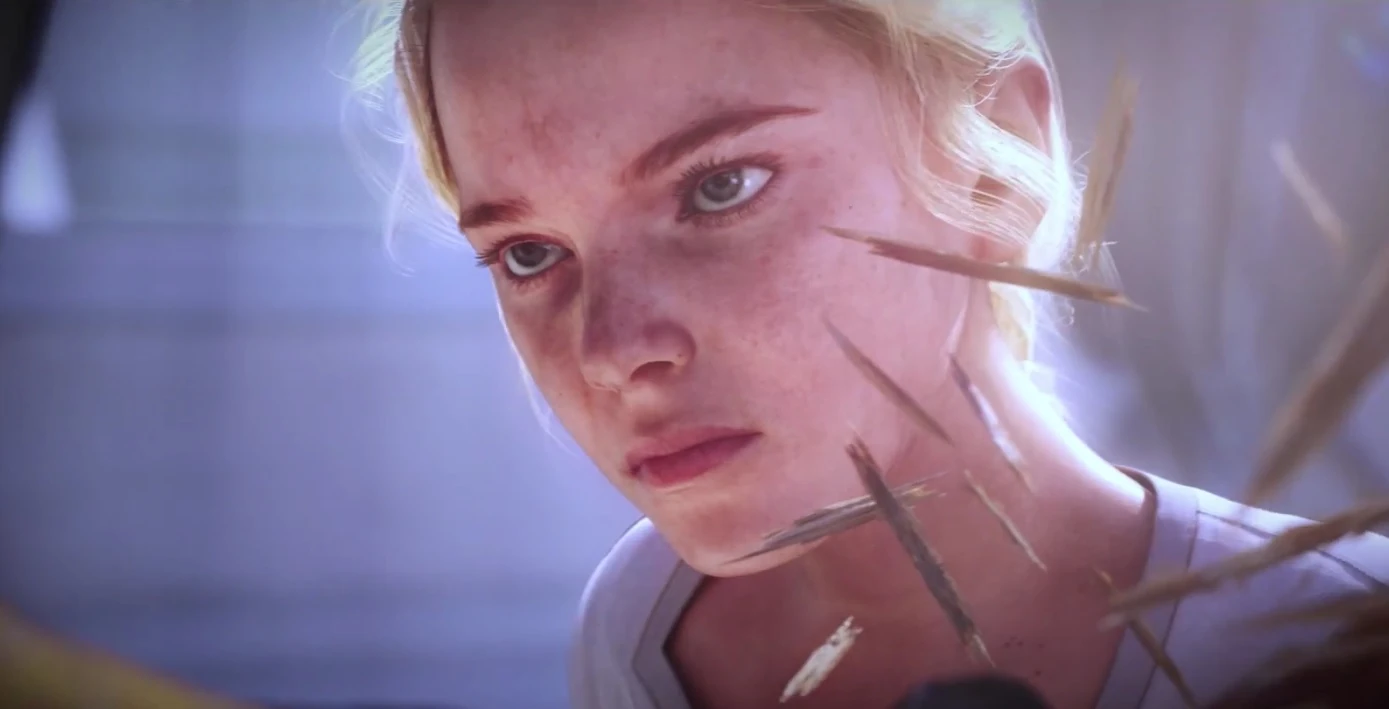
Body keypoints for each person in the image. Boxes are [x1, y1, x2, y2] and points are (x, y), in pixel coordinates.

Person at [351, 1, 1389, 707]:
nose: (614, 351)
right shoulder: (638, 628)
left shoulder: (1339, 635)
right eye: (529, 253)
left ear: (991, 165)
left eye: (719, 187)